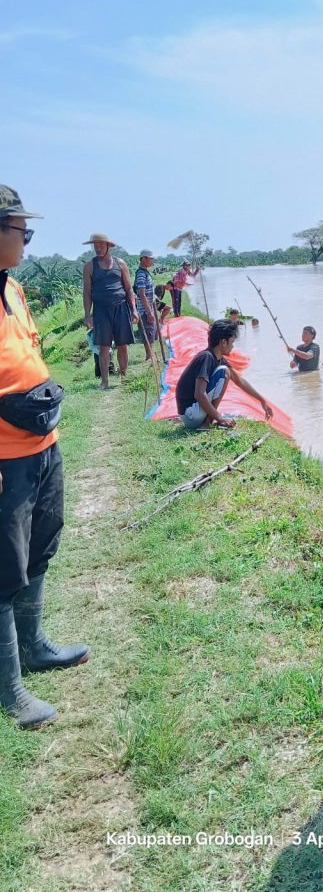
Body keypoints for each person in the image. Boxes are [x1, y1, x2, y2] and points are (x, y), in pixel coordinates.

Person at [0, 185, 90, 730]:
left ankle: (33, 645)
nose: (27, 241)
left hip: (41, 445)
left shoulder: (12, 287)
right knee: (3, 568)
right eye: (22, 231)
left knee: (40, 545)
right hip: (5, 458)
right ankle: (10, 689)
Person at [175, 319, 273, 431]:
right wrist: (219, 417)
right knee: (224, 371)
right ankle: (207, 423)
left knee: (225, 370)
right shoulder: (206, 357)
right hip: (191, 414)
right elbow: (199, 394)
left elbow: (240, 381)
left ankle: (208, 420)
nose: (232, 347)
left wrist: (262, 400)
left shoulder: (219, 359)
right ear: (223, 342)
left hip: (194, 413)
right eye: (232, 342)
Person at [82, 232, 137, 389]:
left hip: (121, 308)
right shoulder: (89, 267)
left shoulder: (120, 264)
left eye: (101, 245)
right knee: (104, 347)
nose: (98, 248)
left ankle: (124, 377)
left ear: (108, 246)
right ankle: (104, 382)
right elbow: (87, 292)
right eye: (95, 245)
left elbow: (129, 289)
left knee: (123, 345)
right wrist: (87, 315)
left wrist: (133, 309)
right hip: (101, 311)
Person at [134, 249, 157, 361]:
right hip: (144, 310)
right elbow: (142, 294)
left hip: (148, 307)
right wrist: (148, 312)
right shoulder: (141, 274)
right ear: (143, 259)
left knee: (151, 332)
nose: (152, 261)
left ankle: (151, 355)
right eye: (150, 259)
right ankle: (149, 357)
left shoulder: (145, 272)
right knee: (148, 333)